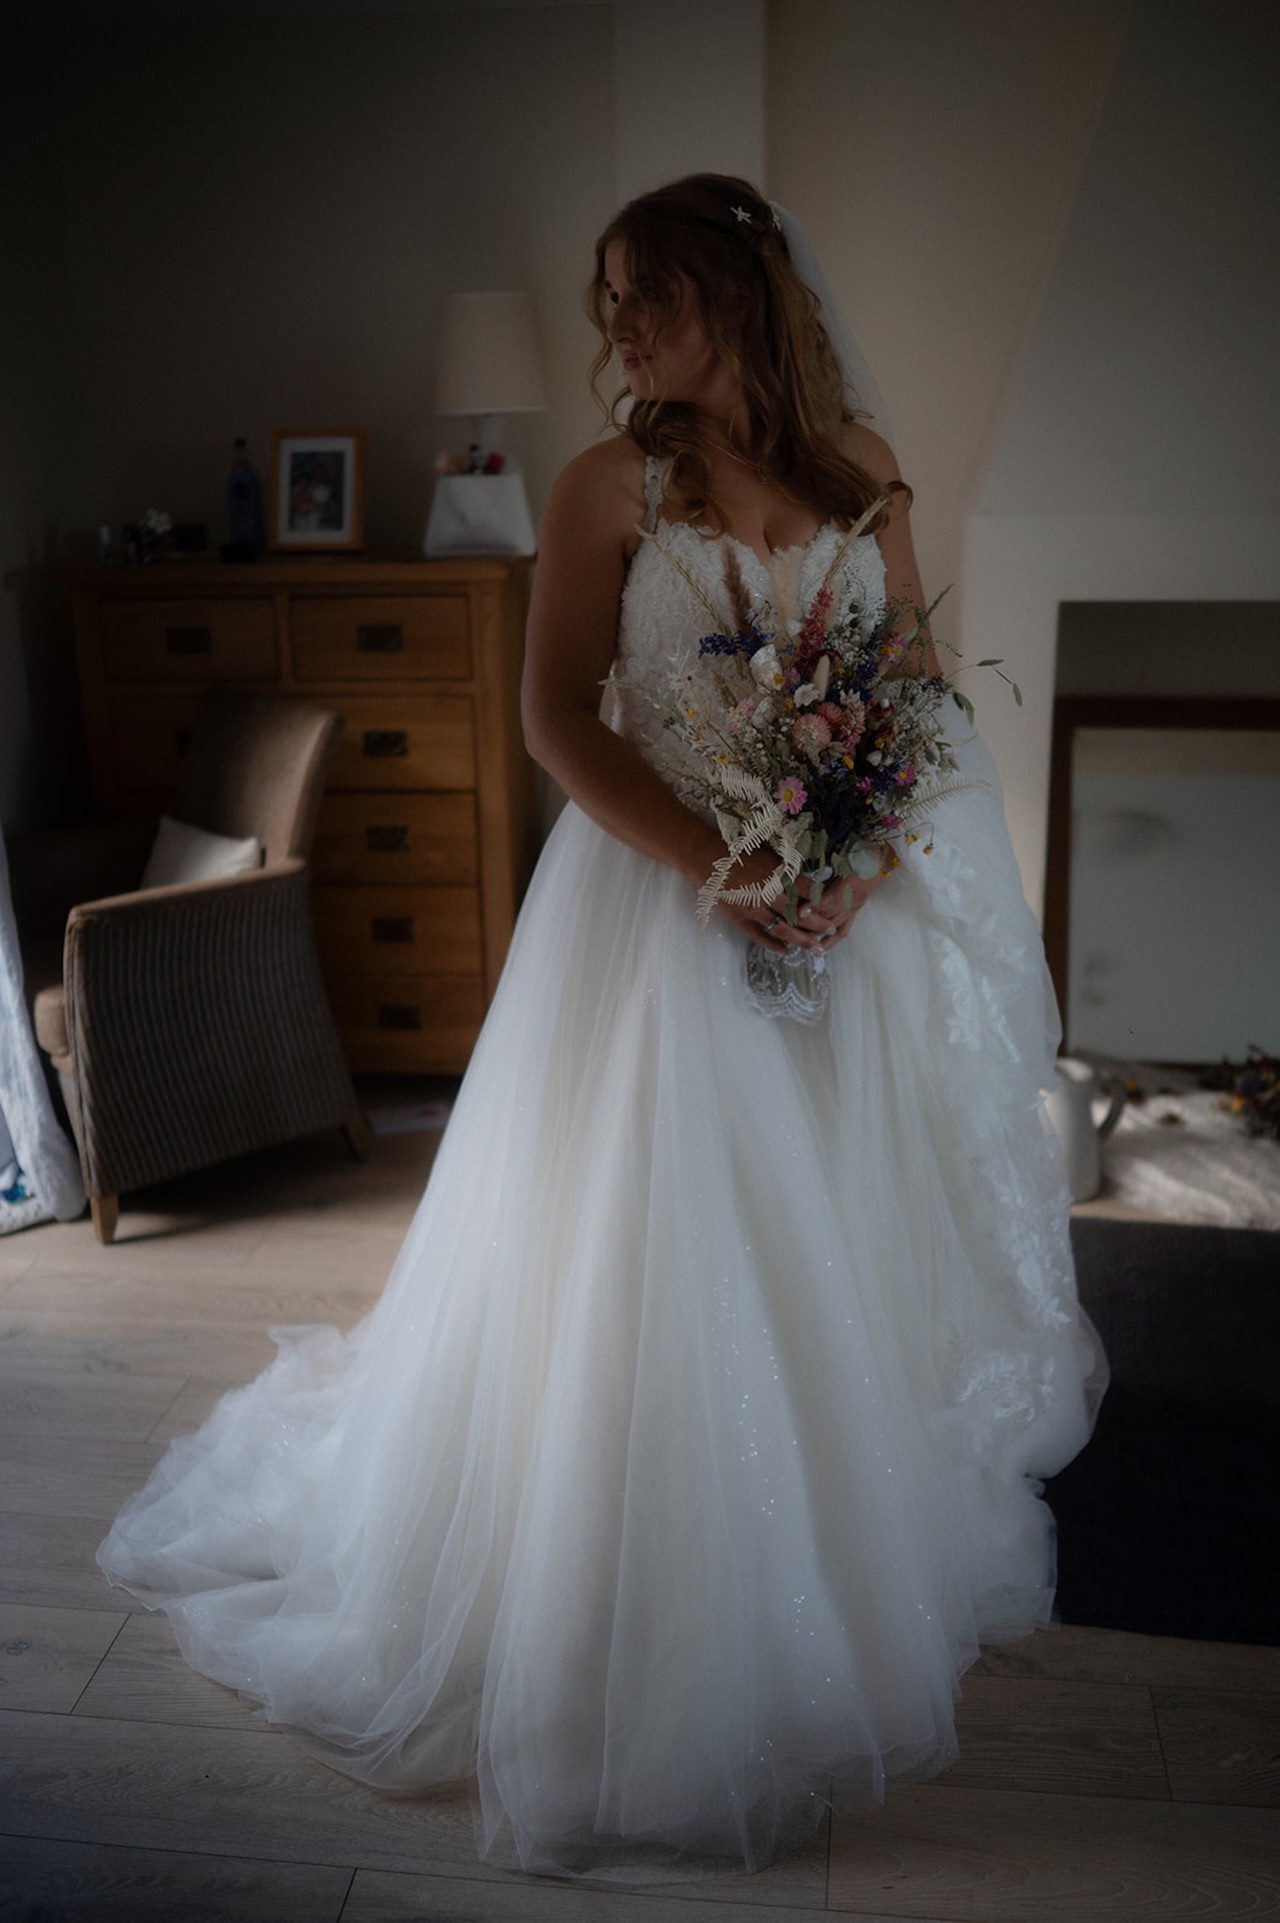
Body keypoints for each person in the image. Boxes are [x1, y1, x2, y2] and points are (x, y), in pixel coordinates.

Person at [96, 174, 1109, 1885]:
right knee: (662, 1263)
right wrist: (722, 865)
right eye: (612, 299)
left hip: (835, 921)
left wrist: (848, 863)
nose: (621, 329)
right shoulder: (606, 486)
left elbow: (920, 706)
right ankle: (632, 1635)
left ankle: (804, 1580)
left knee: (821, 1259)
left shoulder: (867, 481)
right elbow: (560, 719)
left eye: (652, 294)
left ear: (741, 290)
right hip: (655, 920)